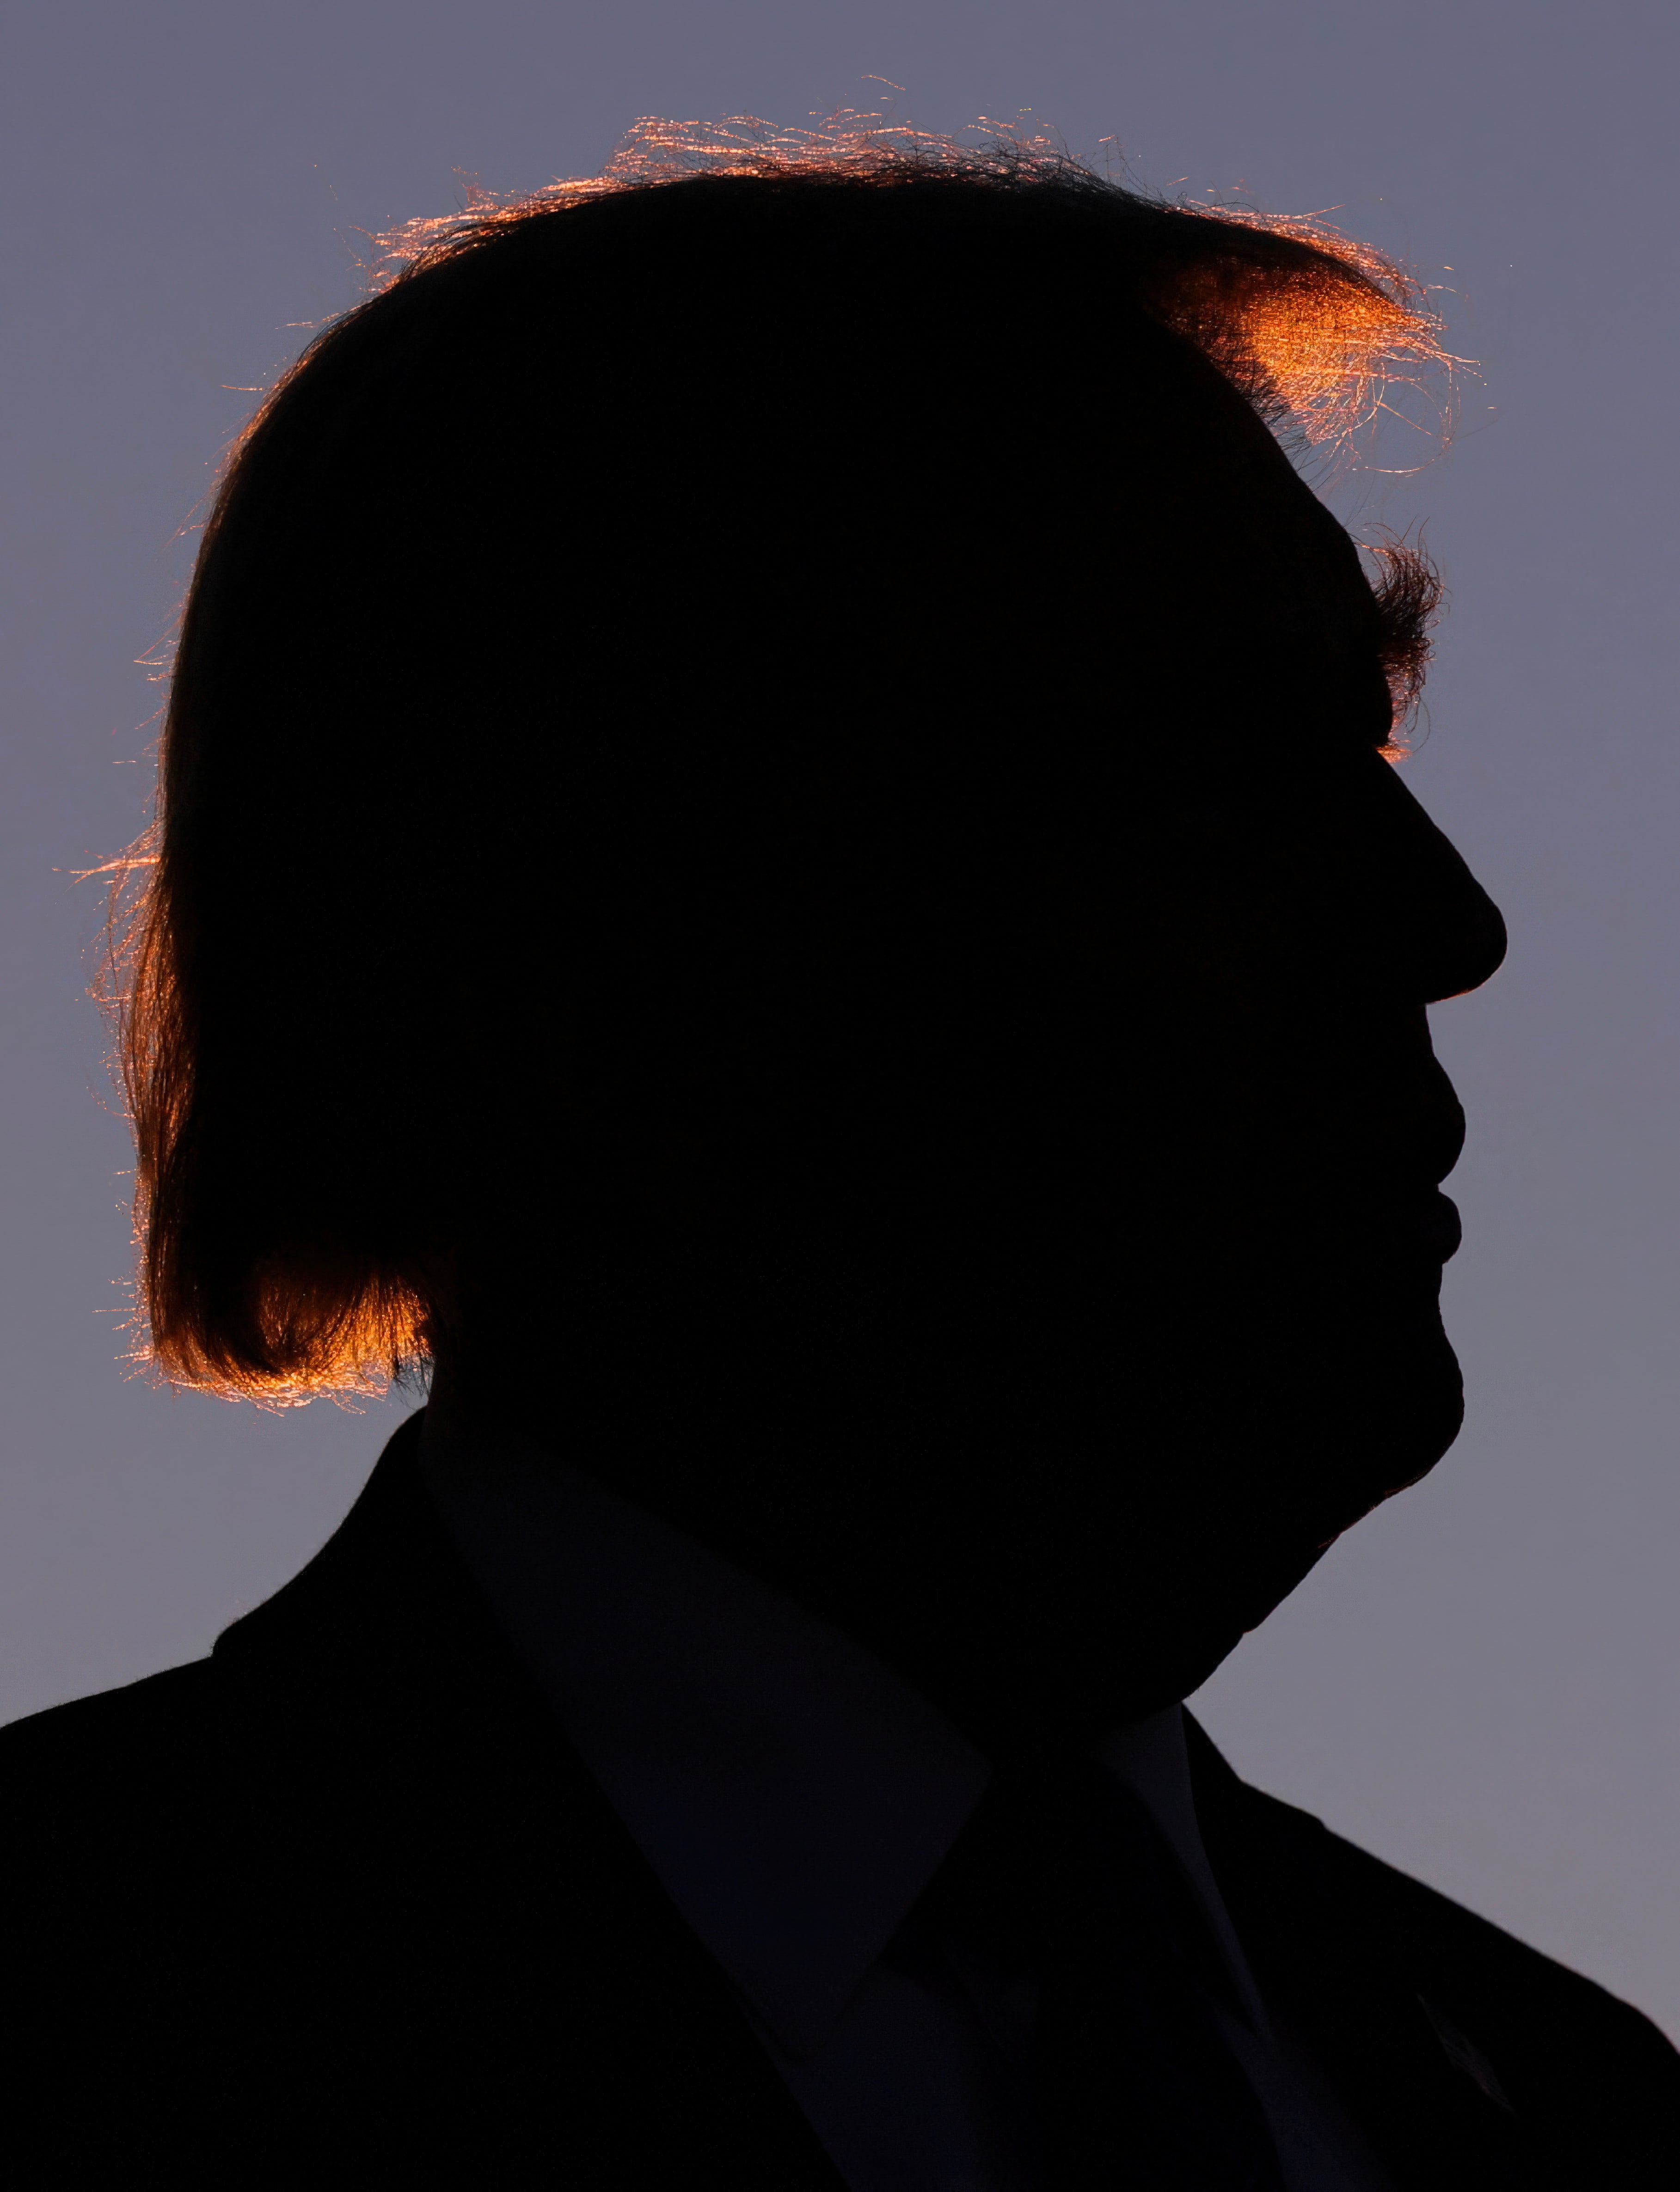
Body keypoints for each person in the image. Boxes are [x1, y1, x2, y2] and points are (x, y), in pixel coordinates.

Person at [5, 125, 1675, 2187]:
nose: (1446, 923)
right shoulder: (78, 2016)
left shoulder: (1563, 2099)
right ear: (593, 956)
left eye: (1368, 745)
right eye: (1198, 776)